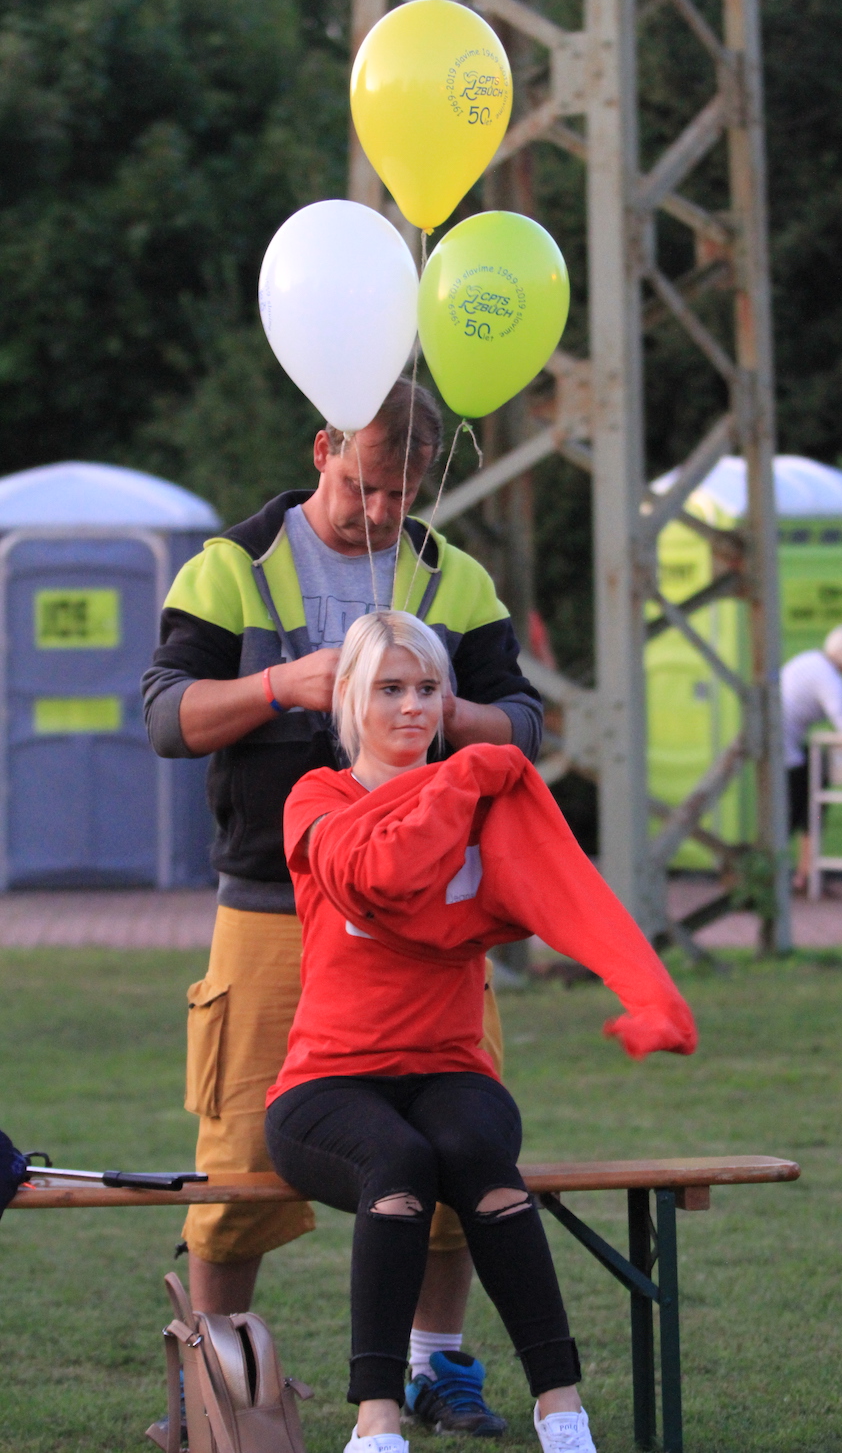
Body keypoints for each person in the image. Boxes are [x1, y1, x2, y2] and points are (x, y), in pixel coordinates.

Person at [142, 379, 542, 1434]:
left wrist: (426, 702)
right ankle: (215, 1376)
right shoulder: (231, 566)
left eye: (403, 493)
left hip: (425, 919)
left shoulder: (454, 577)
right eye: (365, 486)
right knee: (239, 1159)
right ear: (322, 449)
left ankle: (434, 1365)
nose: (382, 512)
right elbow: (168, 719)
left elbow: (525, 724)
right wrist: (287, 684)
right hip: (271, 907)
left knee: (458, 1142)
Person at [265, 610, 697, 1453]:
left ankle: (561, 1410)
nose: (412, 706)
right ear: (348, 696)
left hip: (450, 1070)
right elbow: (376, 873)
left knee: (477, 1155)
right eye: (390, 688)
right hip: (326, 1085)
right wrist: (458, 780)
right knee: (398, 1162)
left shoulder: (486, 799)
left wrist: (651, 994)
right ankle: (375, 1420)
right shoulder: (318, 799)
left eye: (428, 688)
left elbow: (568, 892)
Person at [781, 623, 842, 892]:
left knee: (798, 808)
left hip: (782, 745)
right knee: (802, 809)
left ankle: (799, 874)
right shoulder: (829, 678)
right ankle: (801, 875)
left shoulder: (809, 660)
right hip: (785, 749)